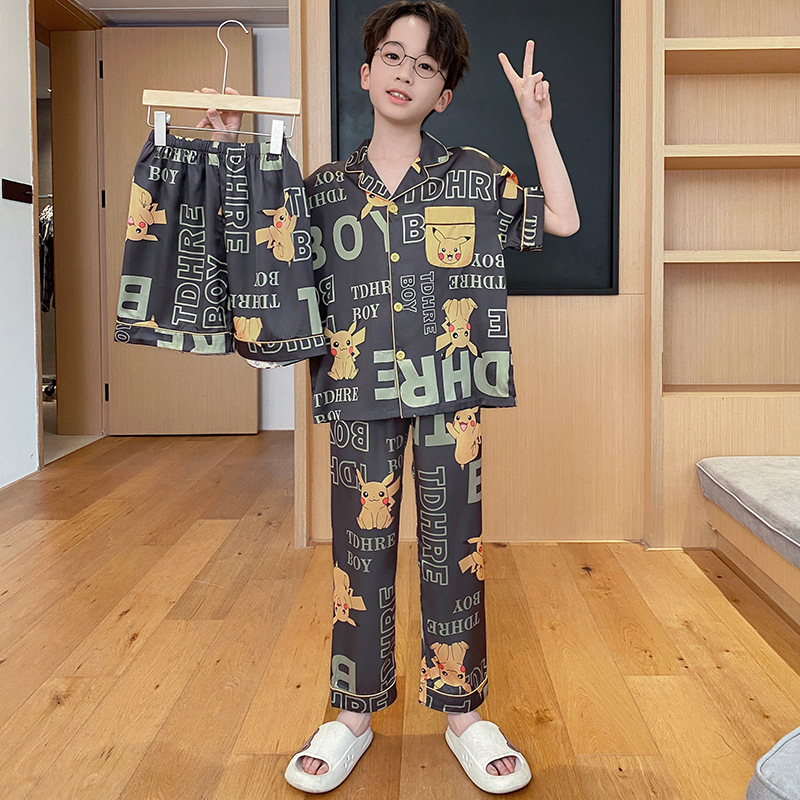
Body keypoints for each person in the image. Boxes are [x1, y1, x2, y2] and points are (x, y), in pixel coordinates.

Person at [197, 1, 579, 793]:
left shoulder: (474, 172)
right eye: (394, 57)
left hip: (452, 394)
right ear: (367, 72)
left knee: (455, 550)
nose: (407, 72)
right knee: (358, 556)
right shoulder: (322, 189)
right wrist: (232, 148)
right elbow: (257, 255)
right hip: (357, 392)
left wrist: (537, 123)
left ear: (444, 93)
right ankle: (353, 715)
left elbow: (565, 220)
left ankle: (464, 714)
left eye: (426, 65)